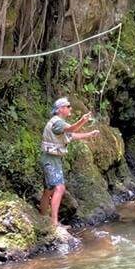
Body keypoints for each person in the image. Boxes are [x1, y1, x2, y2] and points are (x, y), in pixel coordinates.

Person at [39, 96, 100, 227]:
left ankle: (43, 218)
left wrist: (89, 134)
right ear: (60, 109)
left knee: (48, 190)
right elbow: (72, 129)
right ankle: (54, 223)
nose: (70, 108)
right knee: (59, 188)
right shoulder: (58, 122)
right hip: (51, 159)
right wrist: (83, 120)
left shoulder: (59, 124)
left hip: (51, 158)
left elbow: (71, 136)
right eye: (68, 106)